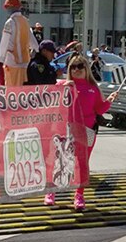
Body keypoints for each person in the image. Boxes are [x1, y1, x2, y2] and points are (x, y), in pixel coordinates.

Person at [44, 54, 117, 211]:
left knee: (82, 164)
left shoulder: (93, 88)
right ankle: (51, 191)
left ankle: (79, 195)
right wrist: (63, 87)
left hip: (87, 130)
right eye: (73, 67)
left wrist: (109, 101)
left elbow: (99, 109)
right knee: (60, 161)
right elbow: (50, 97)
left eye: (80, 66)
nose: (76, 70)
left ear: (86, 69)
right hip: (66, 129)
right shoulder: (63, 84)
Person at [0, 0, 39, 86]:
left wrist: (1, 58)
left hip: (11, 60)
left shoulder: (10, 22)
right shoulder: (25, 21)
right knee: (22, 88)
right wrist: (37, 50)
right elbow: (32, 40)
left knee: (11, 88)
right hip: (24, 61)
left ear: (9, 8)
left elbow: (4, 42)